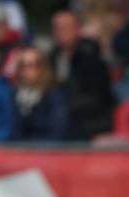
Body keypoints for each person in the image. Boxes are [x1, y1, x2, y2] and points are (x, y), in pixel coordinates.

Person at [50, 10, 116, 140]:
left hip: (91, 121)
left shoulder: (92, 58)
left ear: (77, 29)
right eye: (57, 28)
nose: (60, 32)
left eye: (65, 28)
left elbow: (97, 98)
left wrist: (64, 106)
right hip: (62, 117)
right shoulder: (53, 57)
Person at [14, 47, 71, 142]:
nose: (27, 71)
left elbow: (59, 131)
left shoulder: (55, 95)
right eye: (23, 66)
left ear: (43, 67)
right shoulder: (15, 94)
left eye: (32, 66)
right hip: (21, 152)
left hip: (47, 151)